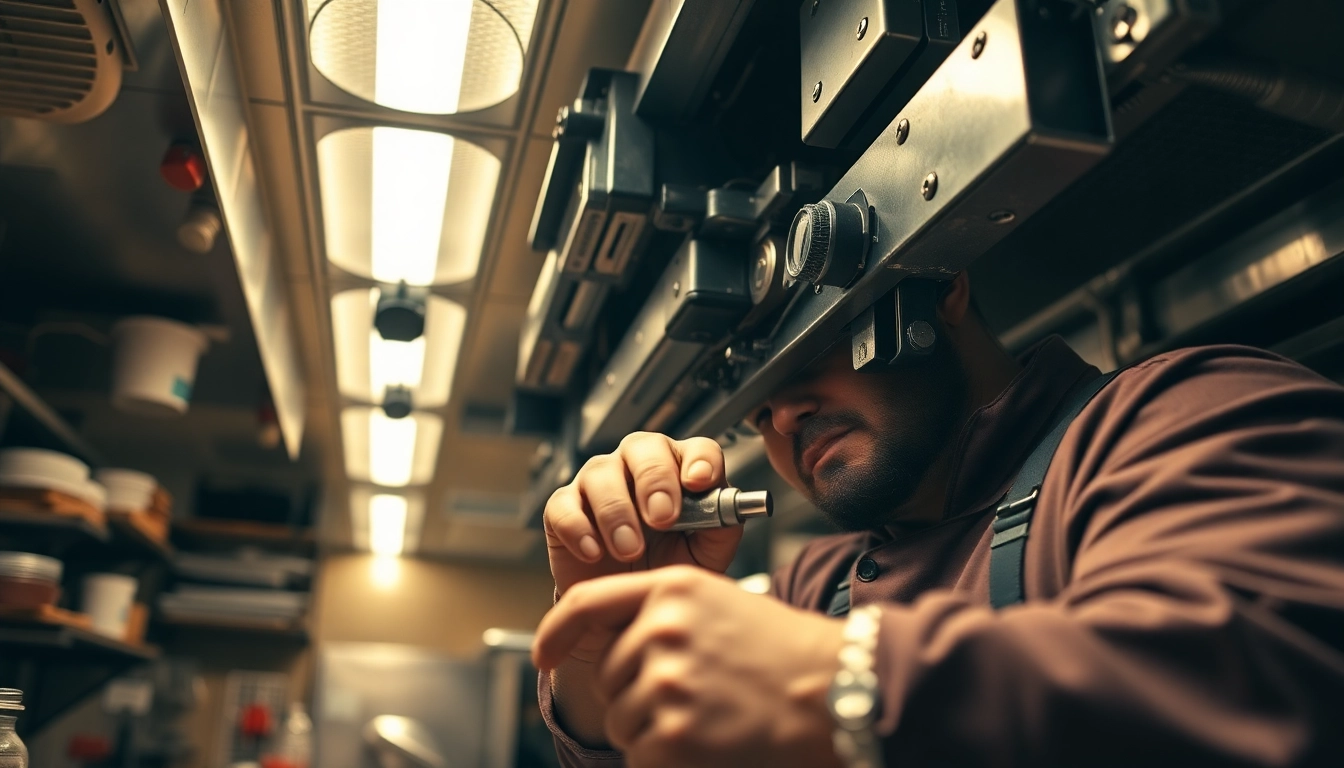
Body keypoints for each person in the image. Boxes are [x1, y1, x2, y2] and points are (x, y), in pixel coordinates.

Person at [531, 272, 1344, 768]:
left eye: (808, 349)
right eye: (756, 409)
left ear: (941, 288)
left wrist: (850, 687)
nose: (780, 416)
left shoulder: (1181, 414)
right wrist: (607, 656)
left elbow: (1259, 682)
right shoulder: (817, 581)